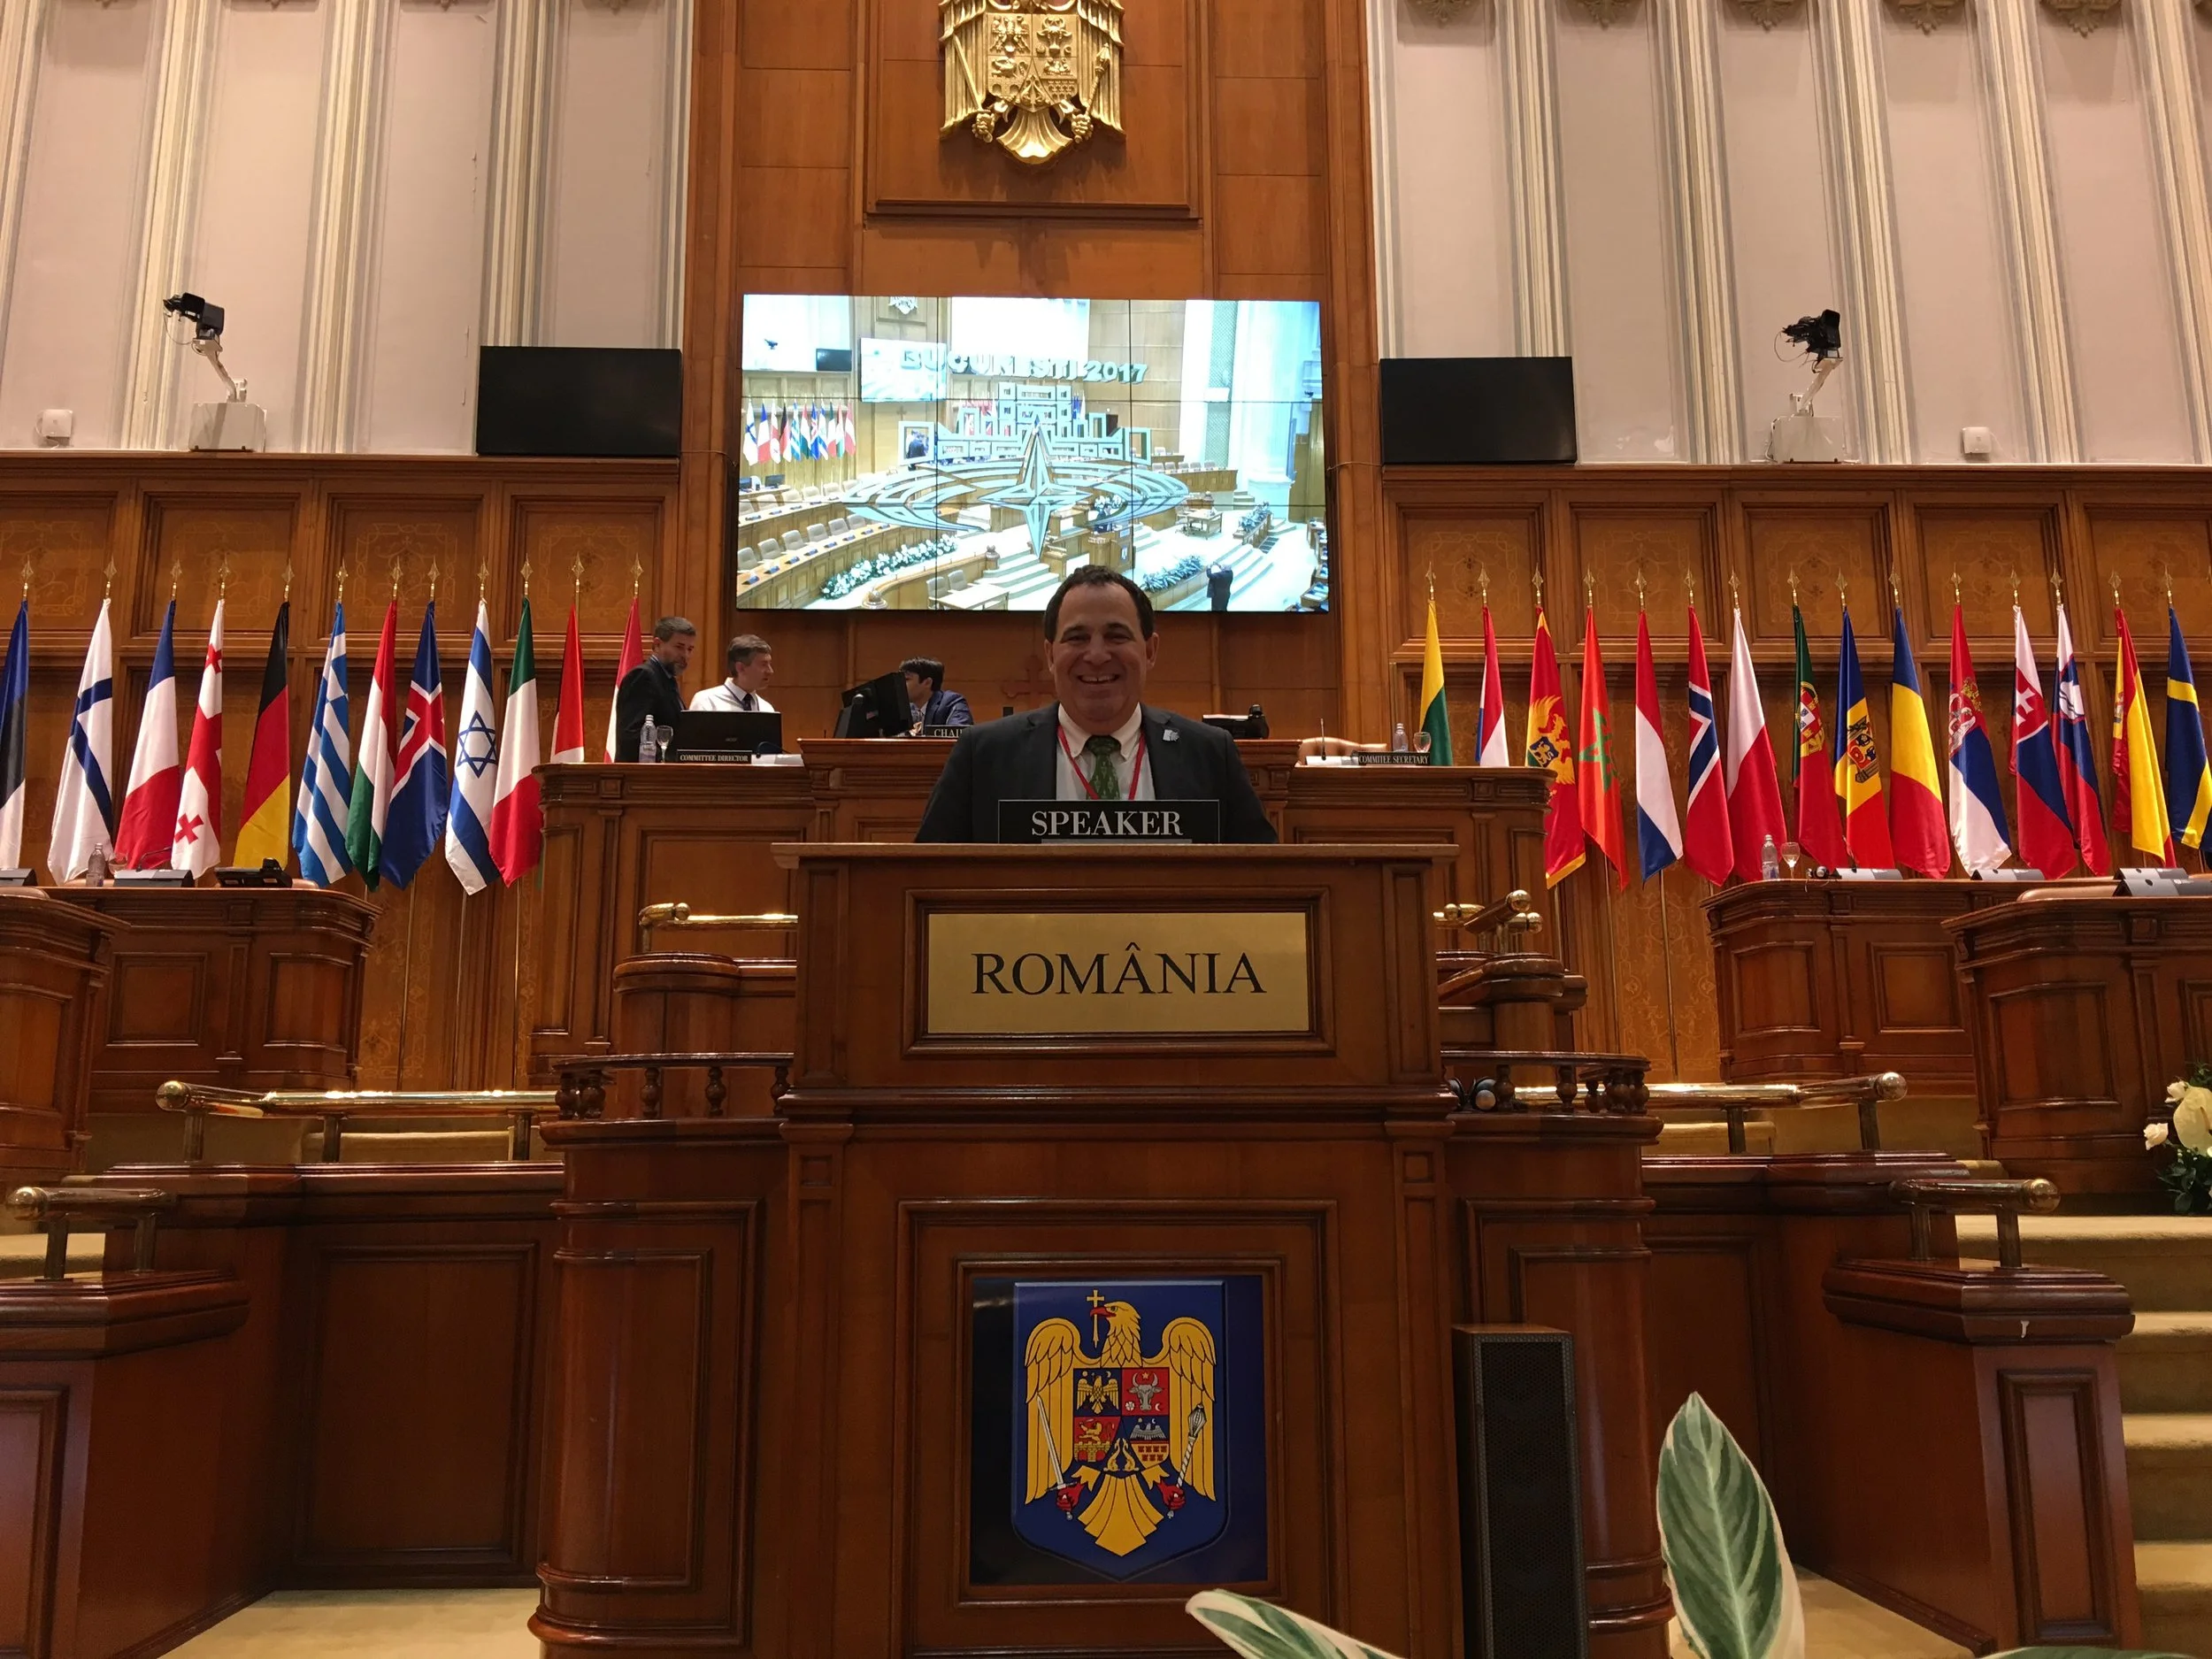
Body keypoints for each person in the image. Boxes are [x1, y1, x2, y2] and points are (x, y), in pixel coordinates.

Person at [915, 565, 1276, 843]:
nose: (1097, 655)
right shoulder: (983, 757)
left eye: (1117, 636)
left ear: (1150, 651)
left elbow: (1266, 887)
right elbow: (924, 884)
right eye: (1077, 637)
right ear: (1050, 654)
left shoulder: (1211, 756)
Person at [614, 617, 696, 761]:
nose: (685, 656)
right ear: (657, 644)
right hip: (644, 778)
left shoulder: (667, 680)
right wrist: (671, 762)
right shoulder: (643, 676)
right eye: (679, 647)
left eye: (690, 649)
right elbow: (632, 737)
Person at [691, 634, 777, 713]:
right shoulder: (707, 702)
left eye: (769, 664)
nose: (770, 671)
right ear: (740, 668)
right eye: (763, 664)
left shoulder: (767, 709)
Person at [902, 657, 974, 732]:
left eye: (907, 679)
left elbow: (958, 737)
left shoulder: (952, 702)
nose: (900, 684)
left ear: (927, 683)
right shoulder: (906, 709)